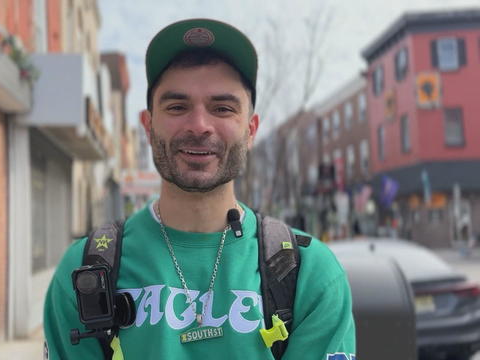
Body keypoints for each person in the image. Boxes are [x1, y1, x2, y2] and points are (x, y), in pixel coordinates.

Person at [43, 18, 356, 359]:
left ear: (251, 130)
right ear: (148, 126)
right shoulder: (85, 272)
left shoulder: (310, 275)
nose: (199, 125)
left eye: (222, 108)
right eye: (177, 107)